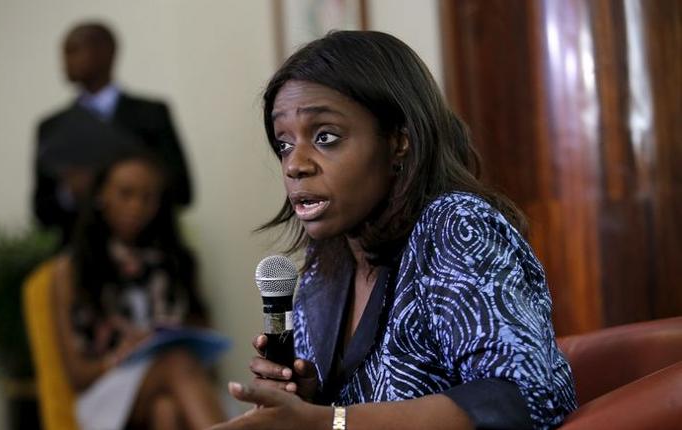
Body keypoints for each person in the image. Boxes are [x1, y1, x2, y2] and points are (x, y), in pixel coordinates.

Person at [211, 31, 577, 430]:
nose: (295, 165)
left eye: (325, 137)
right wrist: (310, 401)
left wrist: (327, 422)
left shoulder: (455, 228)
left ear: (398, 141)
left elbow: (523, 396)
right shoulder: (324, 265)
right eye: (284, 144)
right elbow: (351, 413)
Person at [51, 150, 225, 430]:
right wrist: (126, 353)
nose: (136, 207)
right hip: (106, 391)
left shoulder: (176, 260)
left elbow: (205, 344)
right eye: (126, 193)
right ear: (101, 195)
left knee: (166, 411)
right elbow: (76, 375)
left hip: (172, 386)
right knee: (177, 362)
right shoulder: (71, 269)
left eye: (148, 197)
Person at [34, 21, 192, 243]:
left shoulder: (152, 114)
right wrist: (69, 193)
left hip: (149, 249)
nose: (64, 63)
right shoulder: (51, 127)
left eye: (73, 51)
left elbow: (184, 191)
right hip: (83, 255)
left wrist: (134, 186)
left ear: (106, 52)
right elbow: (40, 212)